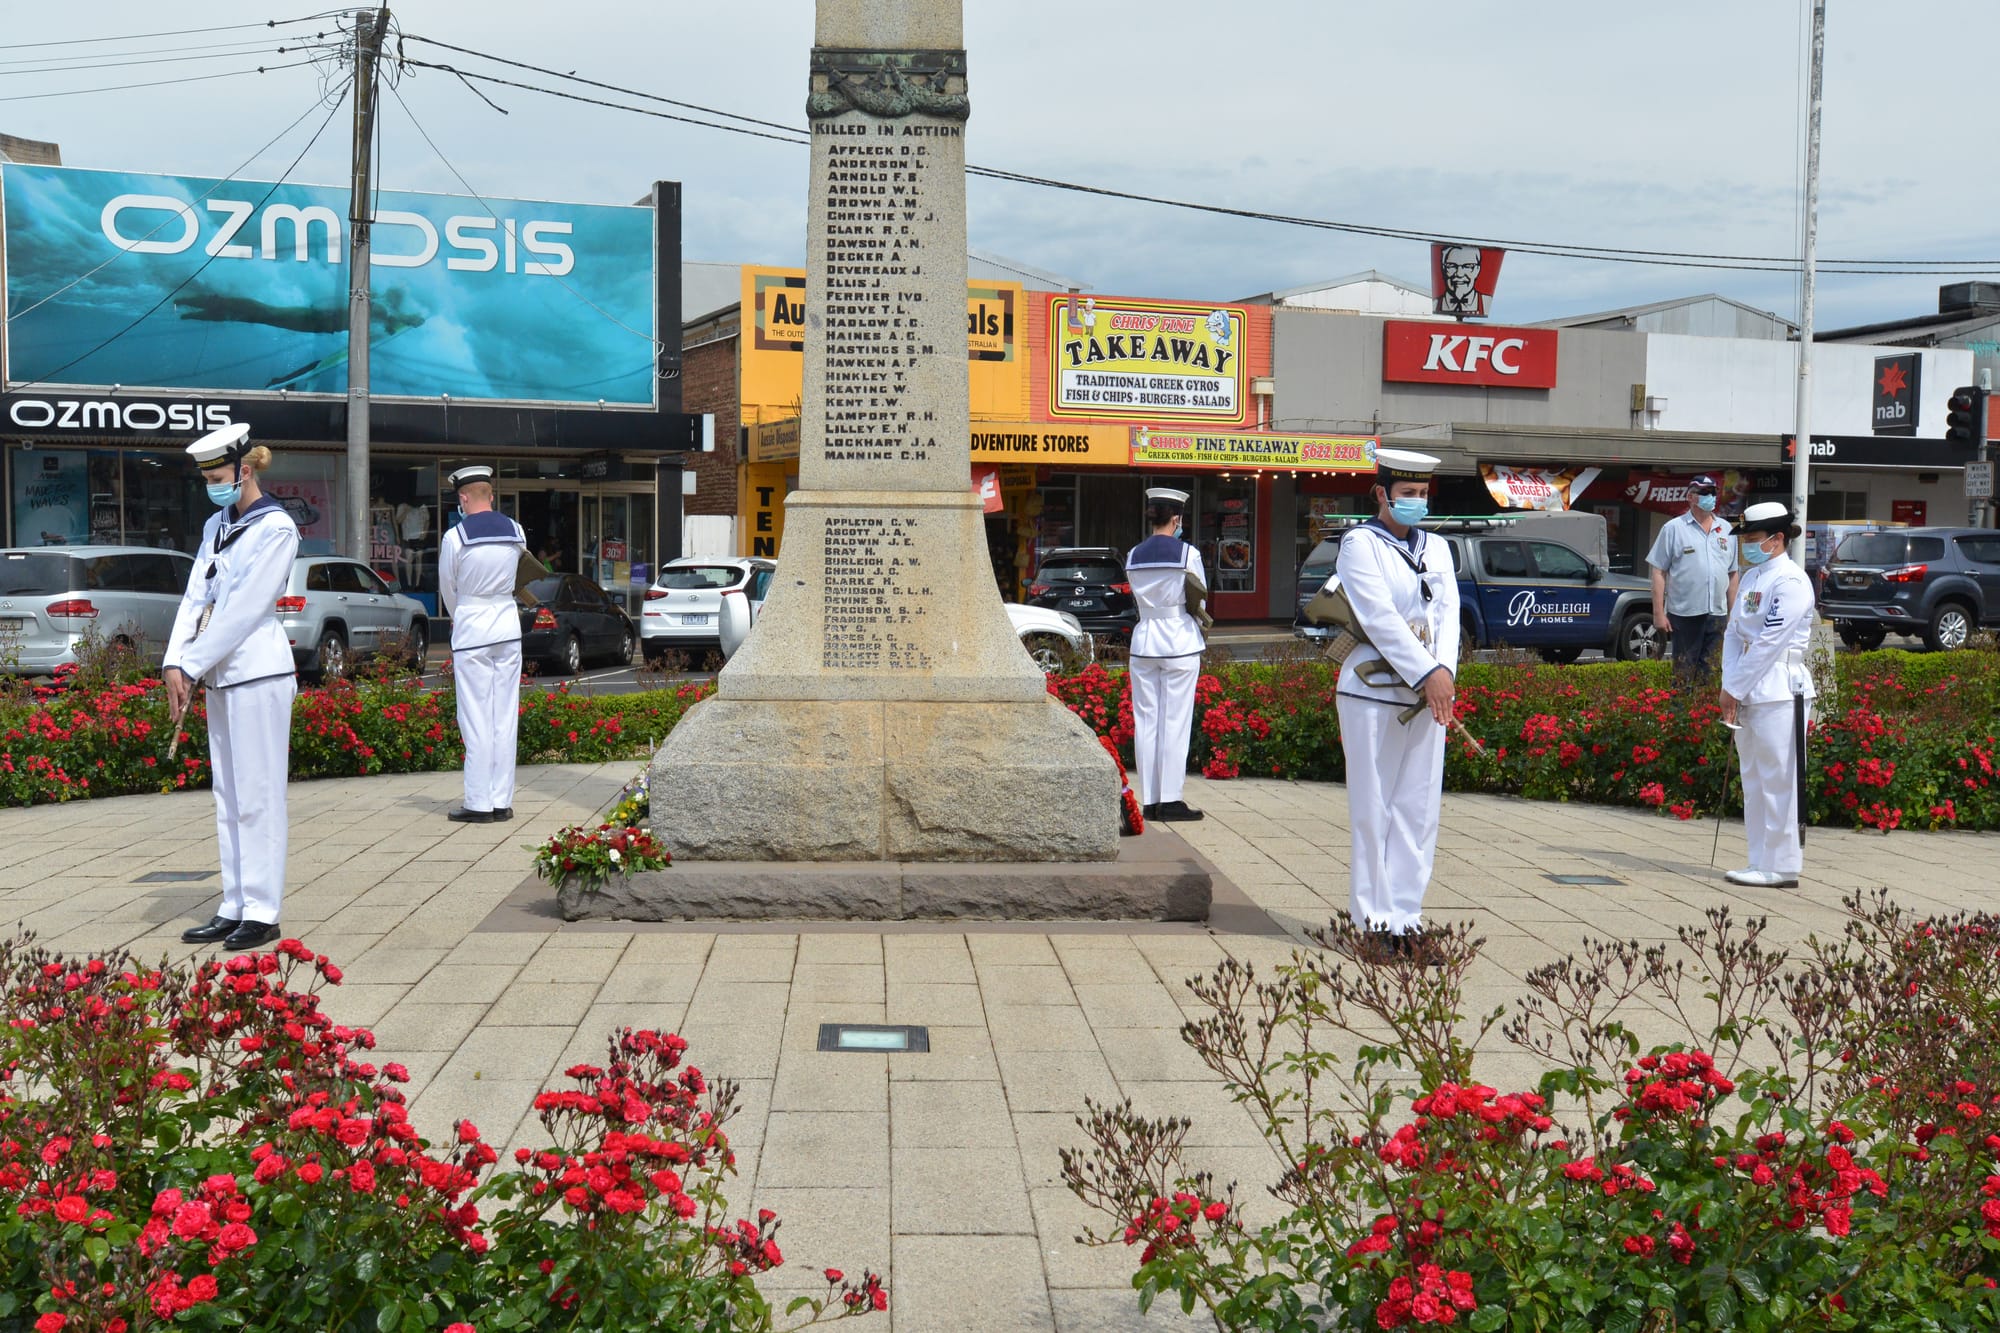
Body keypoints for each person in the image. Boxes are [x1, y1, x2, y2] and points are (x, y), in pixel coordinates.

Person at [166, 423, 301, 951]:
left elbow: (243, 610)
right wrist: (175, 661)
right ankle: (235, 903)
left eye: (219, 477)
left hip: (257, 671)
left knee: (259, 794)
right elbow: (195, 598)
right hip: (221, 674)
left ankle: (263, 910)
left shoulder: (276, 528)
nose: (213, 486)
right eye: (206, 479)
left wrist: (194, 663)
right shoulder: (215, 526)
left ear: (246, 471)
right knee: (228, 794)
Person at [1335, 448, 1461, 958]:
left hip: (1430, 693)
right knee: (1374, 808)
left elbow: (1448, 614)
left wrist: (1445, 672)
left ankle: (1407, 920)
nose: (1416, 502)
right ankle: (1373, 923)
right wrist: (1427, 671)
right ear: (1382, 494)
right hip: (1370, 690)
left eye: (1422, 494)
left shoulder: (1438, 547)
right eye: (1406, 494)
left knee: (1417, 808)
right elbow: (1380, 618)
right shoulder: (1359, 544)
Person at [1720, 501, 1817, 889]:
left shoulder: (1791, 582)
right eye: (1745, 539)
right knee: (1754, 778)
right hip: (1748, 686)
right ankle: (1759, 859)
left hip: (1781, 688)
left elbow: (1769, 642)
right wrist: (1730, 684)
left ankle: (1783, 865)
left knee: (1780, 778)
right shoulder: (1751, 578)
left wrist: (1735, 687)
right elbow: (1733, 633)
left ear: (1777, 539)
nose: (1746, 545)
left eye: (1754, 539)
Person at [437, 464, 527, 823]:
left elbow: (448, 588)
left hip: (473, 628)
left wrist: (464, 618)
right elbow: (521, 573)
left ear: (462, 498)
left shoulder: (455, 537)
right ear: (490, 495)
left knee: (475, 717)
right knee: (504, 716)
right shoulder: (516, 531)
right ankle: (502, 800)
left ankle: (478, 802)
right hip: (507, 626)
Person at [1125, 487, 1207, 822]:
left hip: (1143, 641)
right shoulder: (1188, 554)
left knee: (1145, 722)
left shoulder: (1133, 554)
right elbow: (1200, 601)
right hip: (1178, 643)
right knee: (1174, 721)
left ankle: (1149, 800)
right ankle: (1170, 800)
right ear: (1176, 519)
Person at [1647, 474, 1738, 682]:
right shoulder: (1674, 528)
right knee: (1683, 672)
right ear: (1690, 497)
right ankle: (1682, 714)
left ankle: (1707, 714)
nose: (1710, 497)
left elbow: (1733, 574)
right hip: (1685, 614)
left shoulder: (1726, 529)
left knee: (1712, 673)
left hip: (1717, 613)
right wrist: (1658, 614)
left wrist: (1734, 613)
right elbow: (1659, 571)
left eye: (1713, 493)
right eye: (1704, 493)